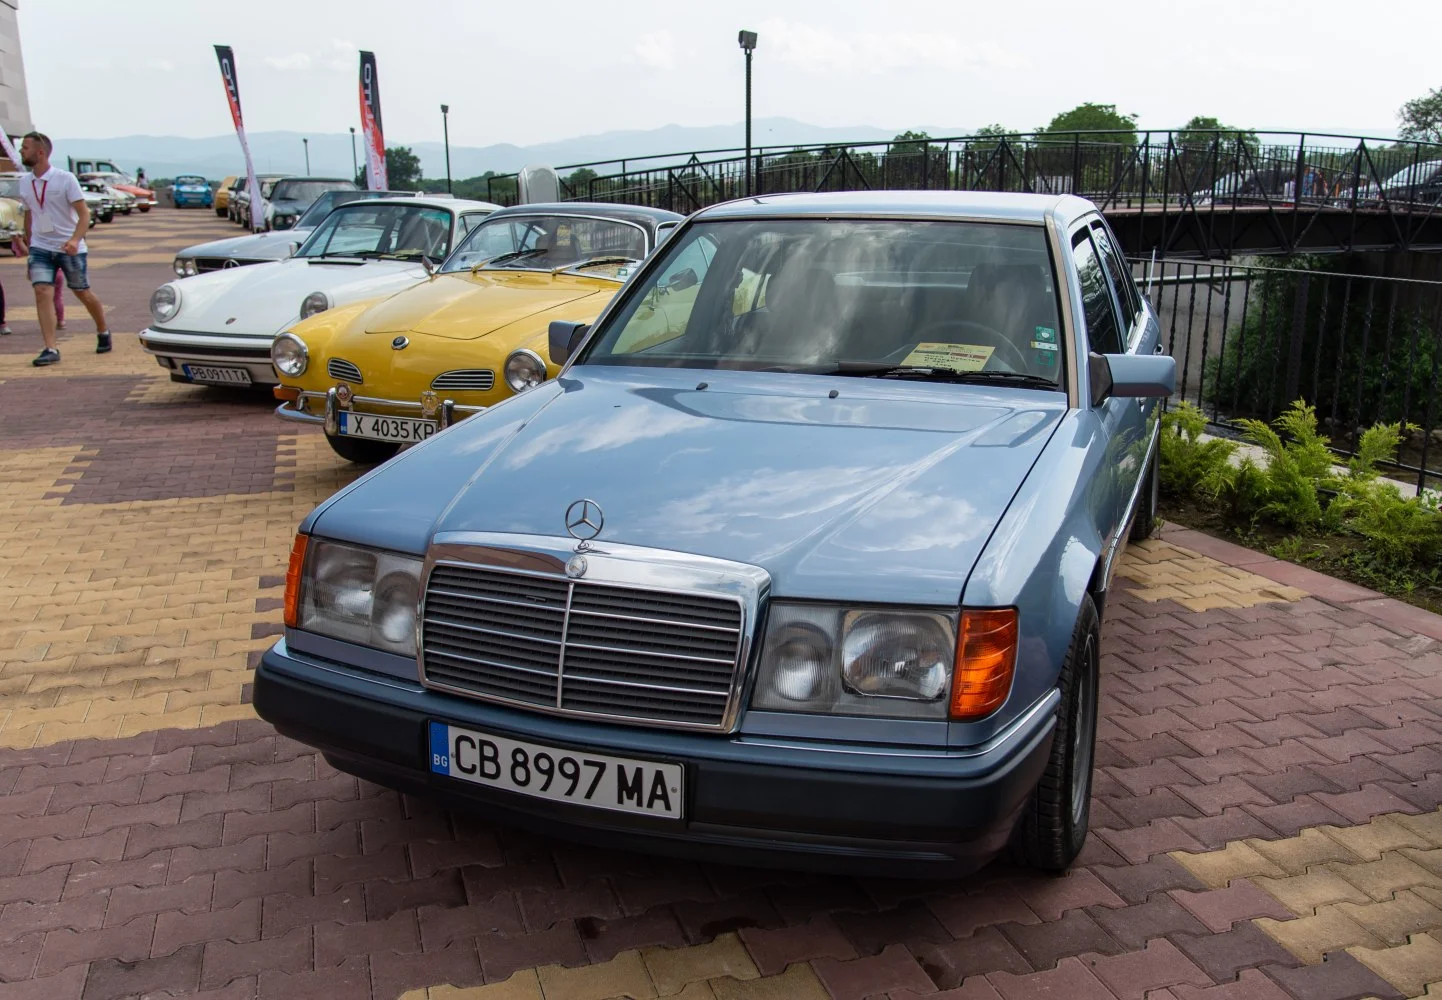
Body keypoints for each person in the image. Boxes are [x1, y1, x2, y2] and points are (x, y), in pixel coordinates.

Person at [11, 132, 109, 366]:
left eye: (25, 147)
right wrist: (28, 244)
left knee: (82, 292)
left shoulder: (65, 179)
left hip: (69, 247)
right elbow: (29, 215)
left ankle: (103, 330)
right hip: (41, 248)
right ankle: (50, 348)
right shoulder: (24, 183)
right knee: (41, 292)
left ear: (40, 152)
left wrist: (75, 240)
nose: (21, 151)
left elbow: (84, 214)